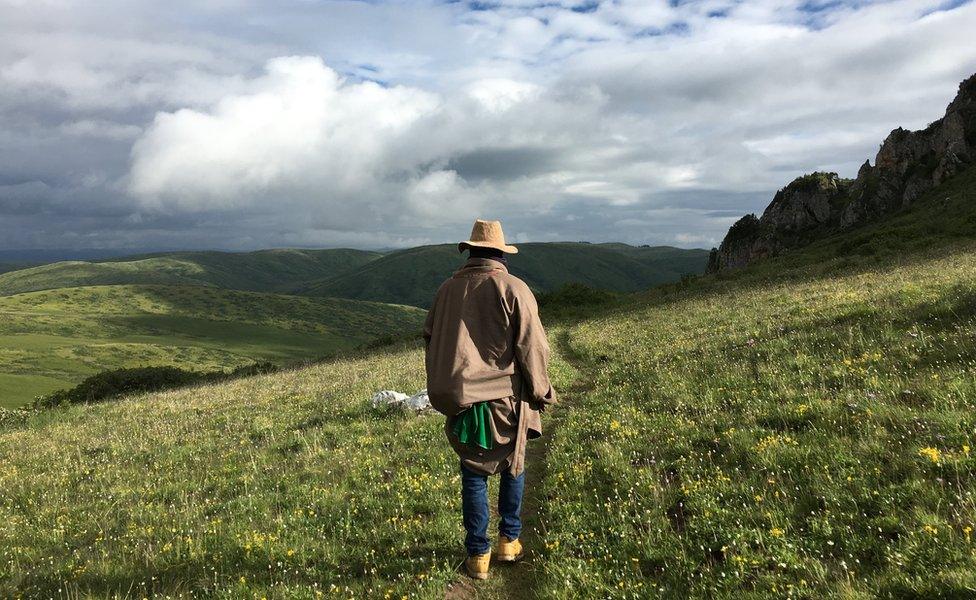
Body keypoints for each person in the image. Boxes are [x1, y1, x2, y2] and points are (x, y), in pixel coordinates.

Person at [423, 219, 556, 580]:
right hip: (507, 399)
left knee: (473, 472)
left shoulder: (447, 290)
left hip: (462, 402)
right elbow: (532, 346)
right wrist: (542, 390)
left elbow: (432, 340)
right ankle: (509, 541)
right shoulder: (514, 288)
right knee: (514, 464)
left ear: (470, 251)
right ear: (499, 253)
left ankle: (477, 555)